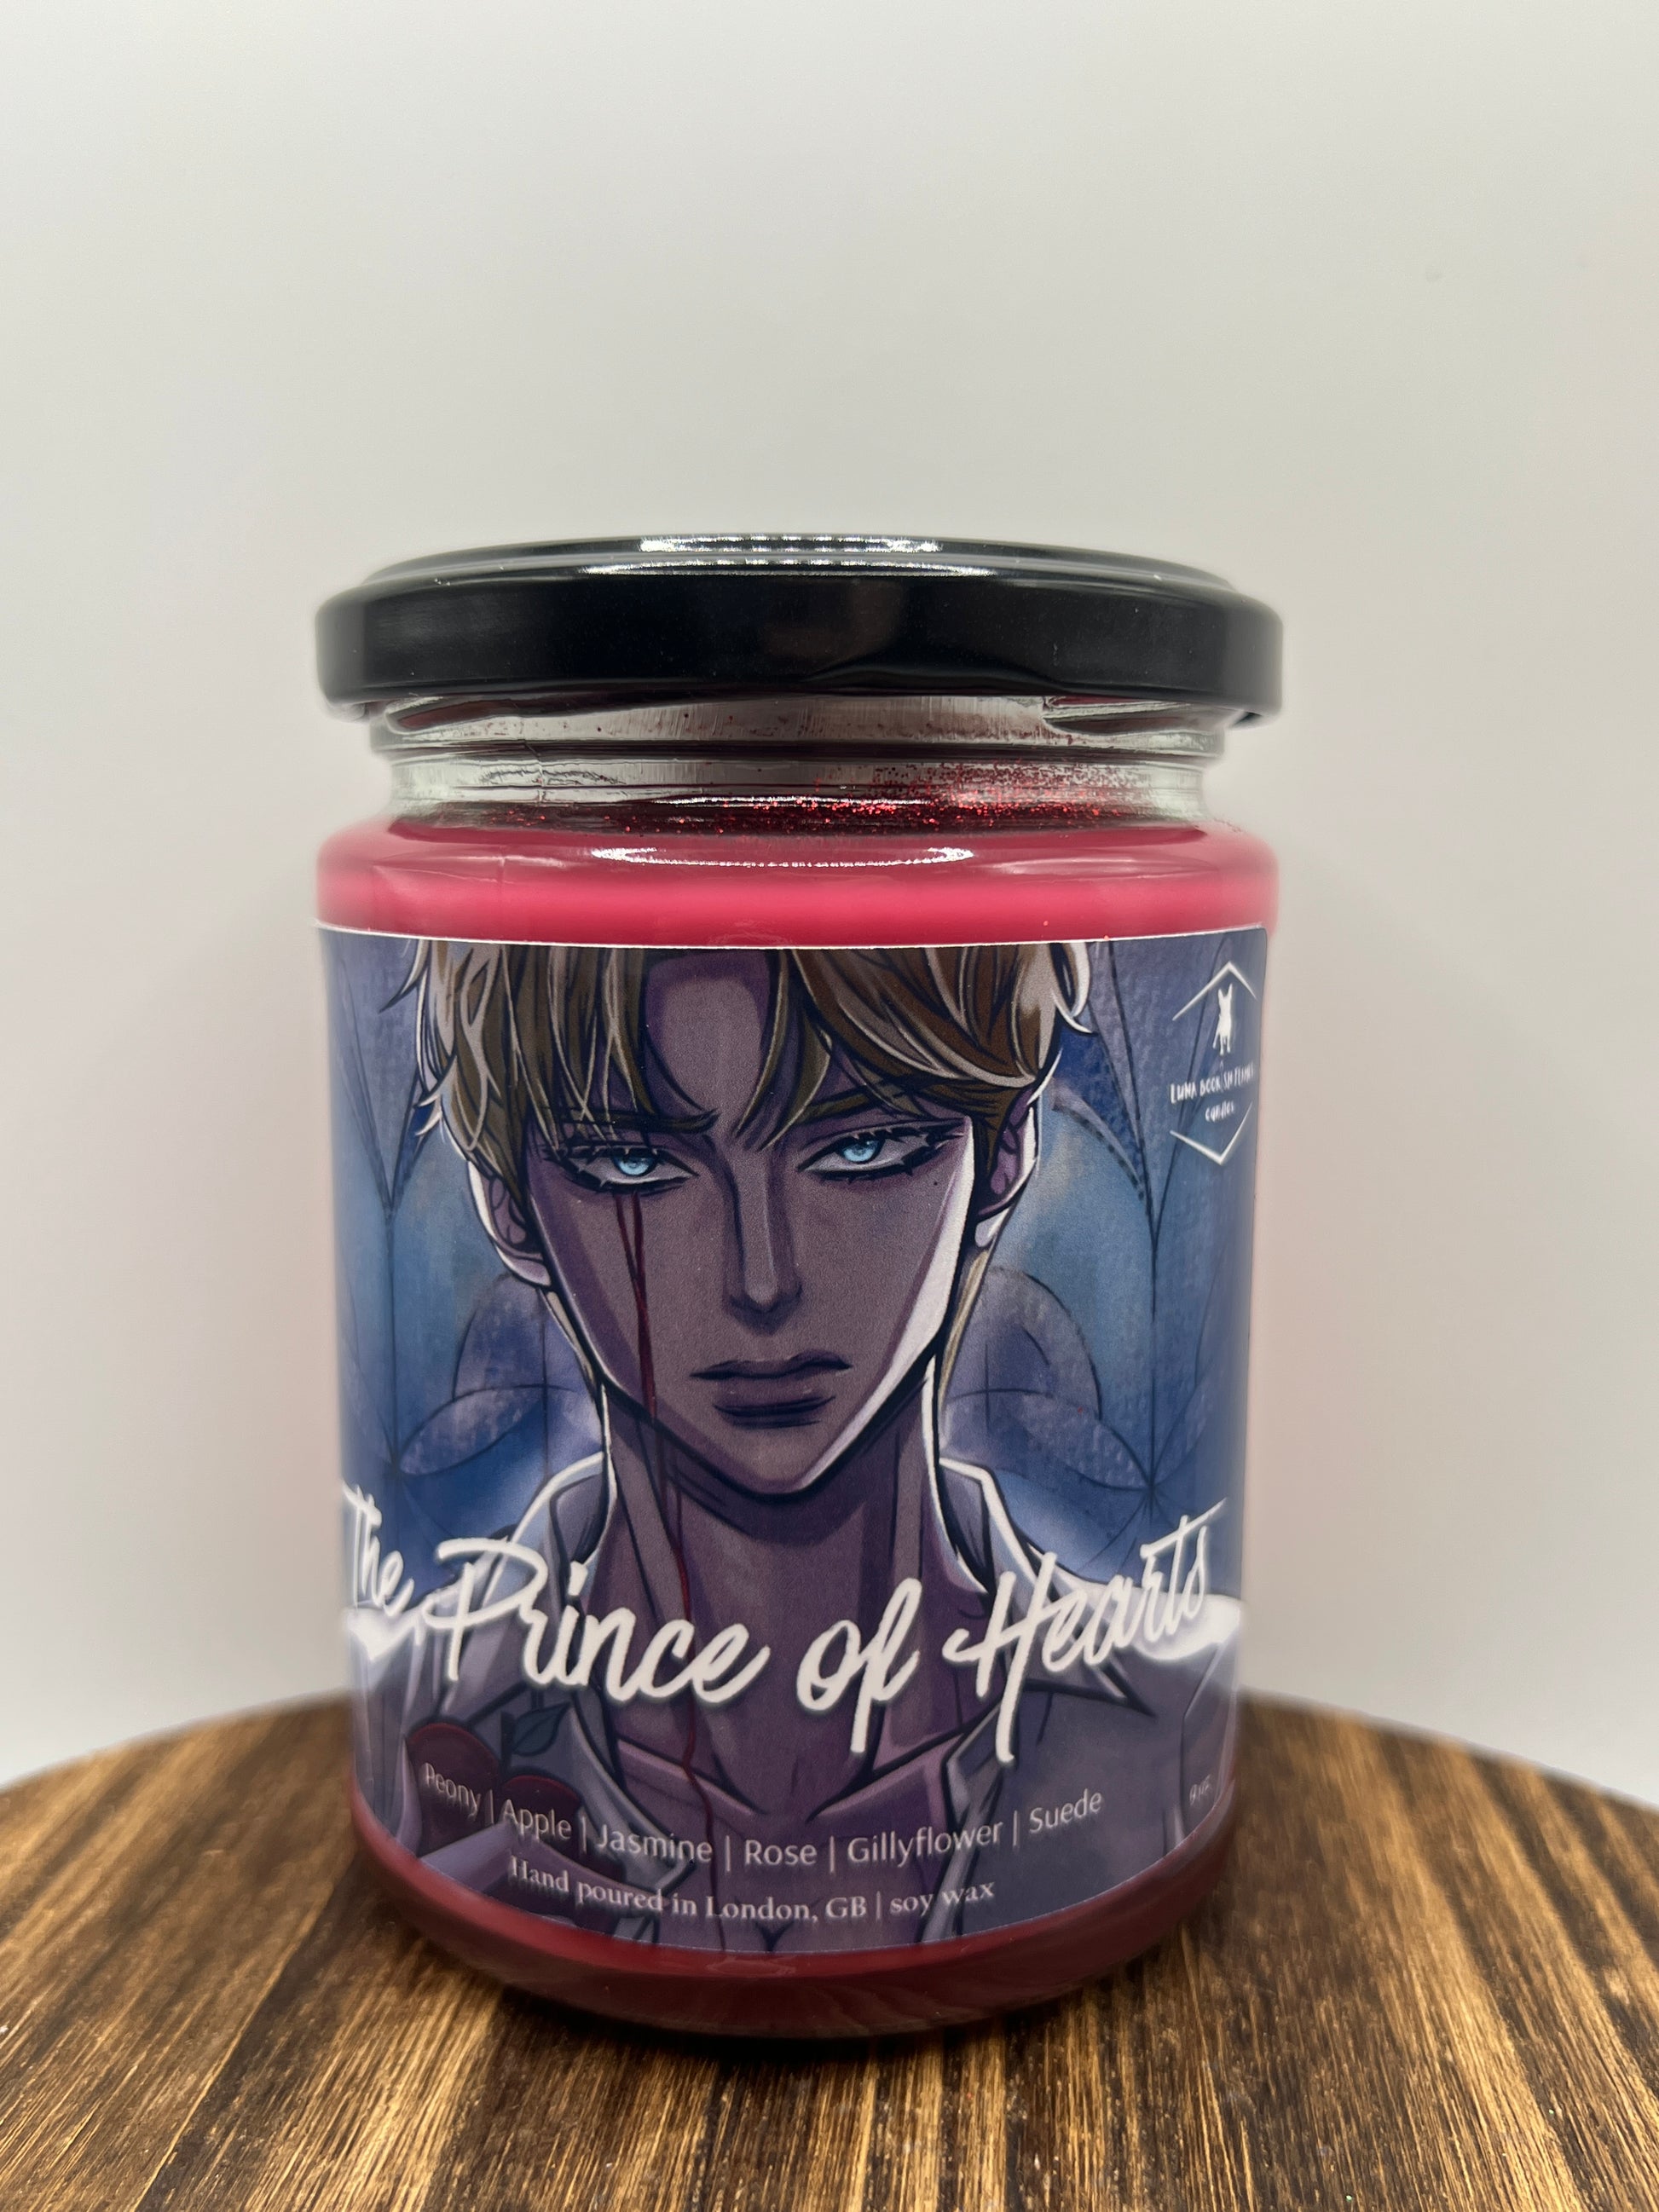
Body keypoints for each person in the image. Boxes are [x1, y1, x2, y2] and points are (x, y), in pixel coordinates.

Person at [348, 941, 1236, 1951]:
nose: (760, 1280)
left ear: (1002, 1154)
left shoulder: (1172, 1715)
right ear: (507, 1202)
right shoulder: (409, 1707)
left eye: (864, 1148)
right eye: (633, 1162)